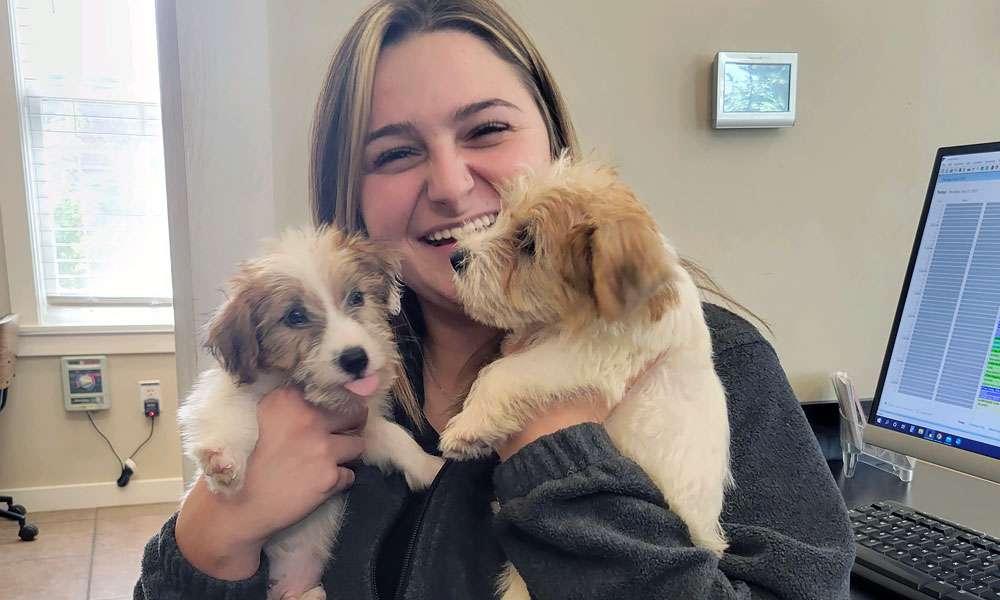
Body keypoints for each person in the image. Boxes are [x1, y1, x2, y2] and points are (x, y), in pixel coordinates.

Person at [136, 1, 854, 598]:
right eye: (393, 153)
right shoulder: (321, 374)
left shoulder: (722, 362)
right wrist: (213, 536)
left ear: (554, 142)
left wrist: (563, 455)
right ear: (349, 199)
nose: (449, 185)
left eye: (487, 129)